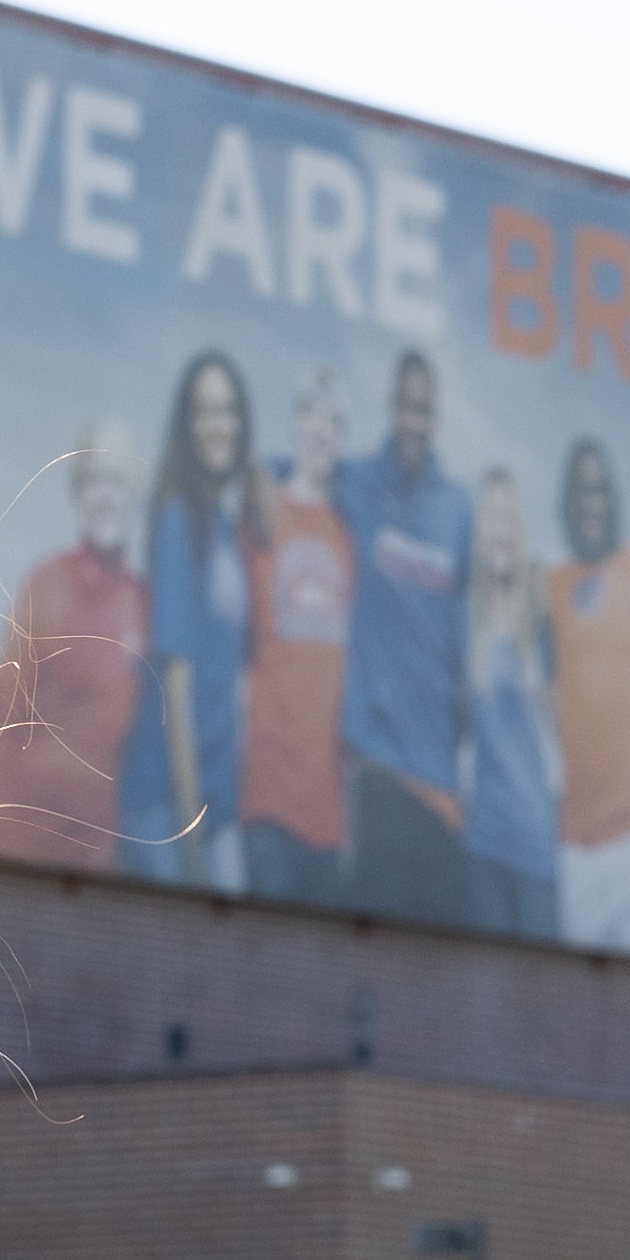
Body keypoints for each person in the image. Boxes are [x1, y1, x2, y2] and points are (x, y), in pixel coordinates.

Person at [334, 347, 474, 923]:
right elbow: (296, 471)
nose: (413, 421)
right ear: (391, 410)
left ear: (435, 418)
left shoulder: (459, 508)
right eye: (405, 407)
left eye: (424, 411)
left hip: (440, 785)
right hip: (380, 776)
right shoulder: (360, 484)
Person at [0, 430, 144, 871]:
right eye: (93, 481)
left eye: (117, 481)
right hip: (24, 849)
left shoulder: (145, 603)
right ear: (78, 493)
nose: (105, 496)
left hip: (98, 863)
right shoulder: (45, 586)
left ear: (135, 494)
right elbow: (1, 722)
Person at [120, 347, 259, 890]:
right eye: (205, 412)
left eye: (228, 411)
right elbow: (175, 688)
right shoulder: (179, 518)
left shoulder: (222, 523)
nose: (217, 426)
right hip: (171, 806)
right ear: (186, 423)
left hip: (217, 805)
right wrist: (191, 828)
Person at [544, 440, 630, 955]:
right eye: (581, 491)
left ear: (613, 499)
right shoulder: (548, 587)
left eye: (600, 490)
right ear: (566, 504)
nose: (592, 502)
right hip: (574, 850)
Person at [236, 370, 356, 904]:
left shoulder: (350, 538)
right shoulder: (261, 517)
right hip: (266, 800)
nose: (321, 431)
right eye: (311, 415)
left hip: (327, 815)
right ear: (295, 424)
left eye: (334, 421)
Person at [453, 466, 560, 939]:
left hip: (537, 842)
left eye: (508, 519)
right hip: (484, 843)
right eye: (490, 518)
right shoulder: (463, 620)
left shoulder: (540, 612)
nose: (500, 531)